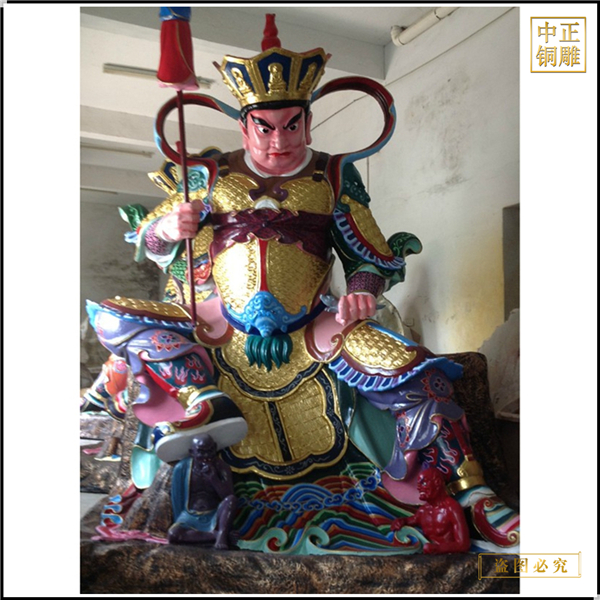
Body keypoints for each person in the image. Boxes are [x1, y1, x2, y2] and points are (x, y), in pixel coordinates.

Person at [87, 15, 519, 554]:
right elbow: (151, 236)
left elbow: (370, 256)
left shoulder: (332, 176)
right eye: (265, 127)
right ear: (244, 127)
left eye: (292, 125)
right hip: (222, 328)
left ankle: (474, 495)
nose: (279, 140)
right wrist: (170, 228)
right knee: (112, 316)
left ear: (309, 124)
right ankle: (202, 399)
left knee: (420, 375)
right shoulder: (209, 174)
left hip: (316, 326)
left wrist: (363, 290)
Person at [169, 434, 237, 549]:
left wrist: (214, 479)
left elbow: (228, 496)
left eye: (210, 451)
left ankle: (221, 533)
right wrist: (178, 522)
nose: (206, 456)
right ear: (192, 452)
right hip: (190, 516)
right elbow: (177, 500)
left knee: (231, 500)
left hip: (214, 514)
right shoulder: (182, 468)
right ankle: (216, 535)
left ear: (215, 448)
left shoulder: (221, 467)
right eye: (201, 452)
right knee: (173, 534)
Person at [390, 467, 470, 554]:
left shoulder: (452, 508)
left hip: (451, 557)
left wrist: (438, 548)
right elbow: (411, 520)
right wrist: (401, 521)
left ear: (437, 483)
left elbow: (463, 544)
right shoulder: (423, 511)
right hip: (428, 555)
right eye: (418, 484)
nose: (419, 488)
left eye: (424, 483)